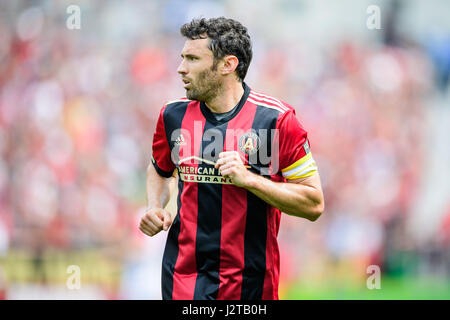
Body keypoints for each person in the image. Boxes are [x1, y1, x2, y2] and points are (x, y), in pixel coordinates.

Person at [139, 17, 324, 300]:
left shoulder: (276, 120)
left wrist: (250, 180)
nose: (181, 68)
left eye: (192, 59)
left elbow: (313, 203)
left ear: (228, 65)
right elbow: (160, 169)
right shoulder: (172, 116)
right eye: (182, 57)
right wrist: (155, 206)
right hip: (182, 281)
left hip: (249, 286)